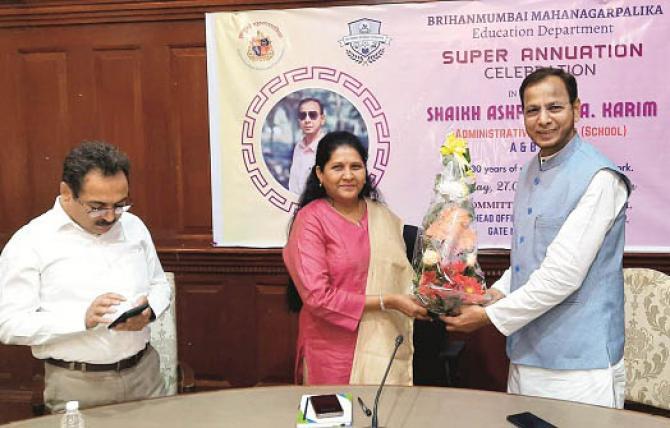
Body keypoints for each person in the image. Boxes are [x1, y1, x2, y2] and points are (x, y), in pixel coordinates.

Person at [442, 67, 631, 408]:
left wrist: (487, 317)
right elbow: (529, 260)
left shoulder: (600, 178)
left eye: (554, 107)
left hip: (580, 365)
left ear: (577, 109)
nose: (543, 119)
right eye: (533, 110)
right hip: (526, 353)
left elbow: (561, 277)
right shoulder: (531, 170)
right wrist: (494, 293)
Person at [0, 141, 171, 412]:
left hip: (145, 375)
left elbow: (159, 284)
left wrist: (149, 312)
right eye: (97, 206)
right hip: (77, 384)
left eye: (120, 204)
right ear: (66, 192)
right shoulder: (30, 242)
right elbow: (9, 325)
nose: (111, 216)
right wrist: (83, 319)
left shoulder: (134, 226)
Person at [283, 131, 429, 385]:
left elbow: (403, 275)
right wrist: (390, 301)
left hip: (381, 343)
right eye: (337, 167)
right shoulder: (311, 220)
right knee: (335, 421)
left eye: (356, 167)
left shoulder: (380, 215)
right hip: (332, 352)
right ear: (320, 173)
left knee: (382, 419)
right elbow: (318, 297)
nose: (348, 175)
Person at [288, 97, 327, 195]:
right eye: (302, 115)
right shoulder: (298, 147)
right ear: (299, 121)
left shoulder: (329, 148)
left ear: (322, 119)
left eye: (312, 115)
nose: (307, 120)